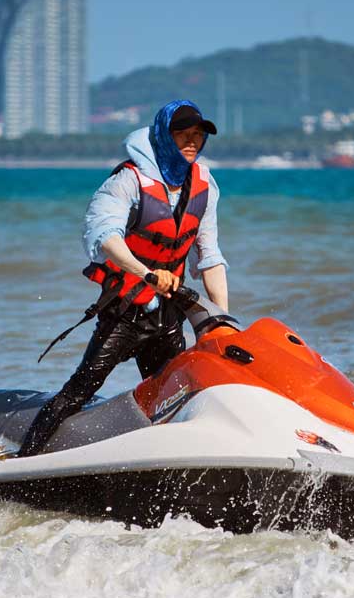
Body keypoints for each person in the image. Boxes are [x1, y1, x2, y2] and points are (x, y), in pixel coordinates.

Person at [17, 99, 229, 456]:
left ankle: (165, 468)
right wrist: (146, 274)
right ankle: (23, 460)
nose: (192, 142)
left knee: (173, 398)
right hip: (125, 312)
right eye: (183, 135)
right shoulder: (128, 180)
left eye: (198, 136)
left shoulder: (204, 185)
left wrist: (220, 322)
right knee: (79, 390)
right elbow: (105, 237)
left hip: (167, 318)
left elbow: (209, 257)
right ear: (164, 136)